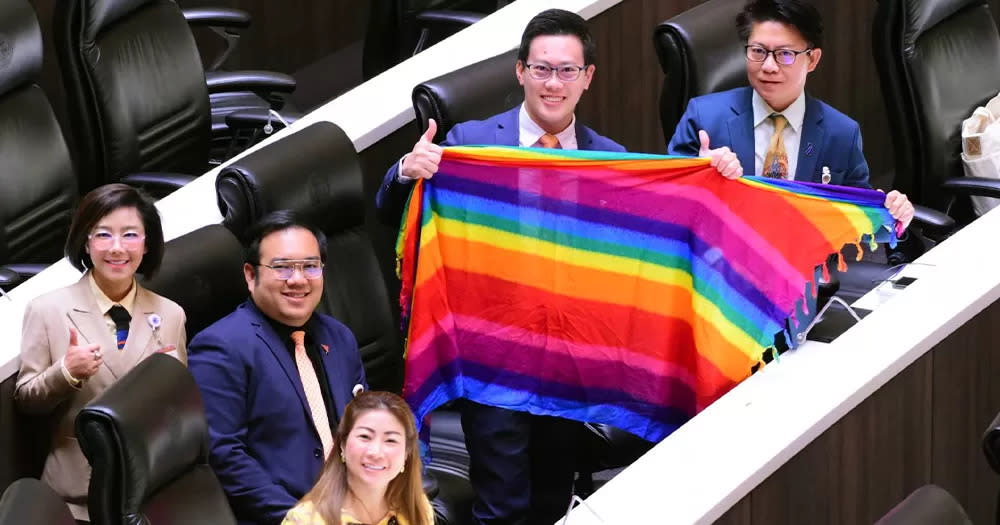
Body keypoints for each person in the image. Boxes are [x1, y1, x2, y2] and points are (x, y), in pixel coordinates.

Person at [376, 9, 626, 524]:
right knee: (503, 509)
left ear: (588, 78)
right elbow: (390, 213)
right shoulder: (469, 143)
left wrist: (711, 176)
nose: (553, 83)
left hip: (570, 364)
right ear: (519, 71)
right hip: (493, 360)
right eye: (541, 69)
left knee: (552, 505)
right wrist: (405, 171)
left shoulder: (610, 159)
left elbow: (648, 245)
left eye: (567, 71)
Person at [15, 183, 186, 523]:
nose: (117, 248)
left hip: (149, 486)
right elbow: (26, 400)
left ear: (147, 243)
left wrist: (167, 383)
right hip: (77, 493)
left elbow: (180, 411)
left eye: (131, 235)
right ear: (86, 242)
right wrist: (65, 373)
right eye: (104, 235)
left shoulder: (170, 315)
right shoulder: (47, 310)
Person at [667, 0, 914, 229]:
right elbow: (666, 204)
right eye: (758, 51)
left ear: (813, 59)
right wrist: (699, 175)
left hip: (804, 271)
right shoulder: (704, 118)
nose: (768, 66)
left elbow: (862, 221)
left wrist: (894, 216)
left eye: (785, 54)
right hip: (720, 268)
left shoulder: (841, 134)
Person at [188, 210, 368, 525]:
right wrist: (301, 518)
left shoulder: (339, 337)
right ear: (250, 274)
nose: (298, 280)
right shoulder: (220, 348)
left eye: (310, 267)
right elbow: (225, 456)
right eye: (282, 268)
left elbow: (362, 423)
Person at [282, 391, 433, 525]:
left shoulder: (418, 509)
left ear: (407, 453)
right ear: (342, 444)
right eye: (365, 437)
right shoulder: (305, 520)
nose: (376, 452)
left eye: (390, 440)